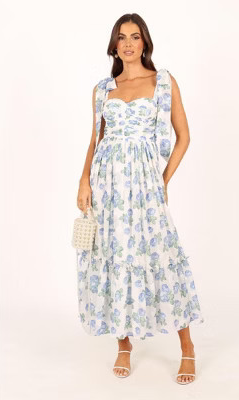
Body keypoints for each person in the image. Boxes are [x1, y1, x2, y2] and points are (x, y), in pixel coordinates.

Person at [75, 13, 204, 384]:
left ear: (145, 42)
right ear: (114, 45)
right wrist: (84, 180)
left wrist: (163, 181)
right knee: (113, 254)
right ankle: (124, 343)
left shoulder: (162, 82)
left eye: (135, 36)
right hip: (107, 184)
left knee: (162, 254)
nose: (128, 43)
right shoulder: (103, 89)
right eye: (122, 37)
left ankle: (187, 347)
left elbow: (183, 137)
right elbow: (95, 139)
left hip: (145, 184)